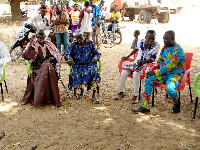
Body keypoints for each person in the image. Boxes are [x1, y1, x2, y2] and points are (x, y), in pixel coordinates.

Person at [133, 30, 186, 114]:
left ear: (172, 38)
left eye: (166, 39)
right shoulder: (164, 48)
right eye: (163, 39)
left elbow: (169, 66)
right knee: (148, 80)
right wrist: (160, 68)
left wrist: (156, 72)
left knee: (170, 88)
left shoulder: (178, 50)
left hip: (176, 74)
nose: (163, 40)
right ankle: (145, 106)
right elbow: (160, 60)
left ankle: (177, 103)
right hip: (164, 73)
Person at [114, 30, 160, 104]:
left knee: (136, 74)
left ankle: (136, 95)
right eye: (149, 38)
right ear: (145, 37)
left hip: (146, 65)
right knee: (124, 72)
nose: (151, 40)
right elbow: (136, 49)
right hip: (136, 62)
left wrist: (143, 62)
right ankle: (121, 92)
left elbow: (153, 59)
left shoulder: (156, 45)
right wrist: (128, 56)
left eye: (153, 39)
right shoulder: (141, 41)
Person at [21, 29, 62, 107]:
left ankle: (52, 100)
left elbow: (57, 56)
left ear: (45, 36)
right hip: (37, 67)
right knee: (46, 67)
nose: (40, 37)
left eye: (42, 35)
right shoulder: (33, 44)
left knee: (48, 67)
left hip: (48, 65)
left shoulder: (49, 44)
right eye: (39, 35)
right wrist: (30, 43)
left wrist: (49, 59)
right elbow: (26, 56)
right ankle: (39, 100)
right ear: (36, 36)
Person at [64, 29, 101, 104]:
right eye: (77, 38)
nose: (78, 40)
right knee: (75, 73)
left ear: (84, 36)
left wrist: (95, 58)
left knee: (94, 73)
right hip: (77, 65)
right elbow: (67, 54)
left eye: (80, 37)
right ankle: (81, 89)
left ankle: (94, 95)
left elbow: (97, 53)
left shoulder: (90, 43)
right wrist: (69, 58)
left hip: (89, 64)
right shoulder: (74, 44)